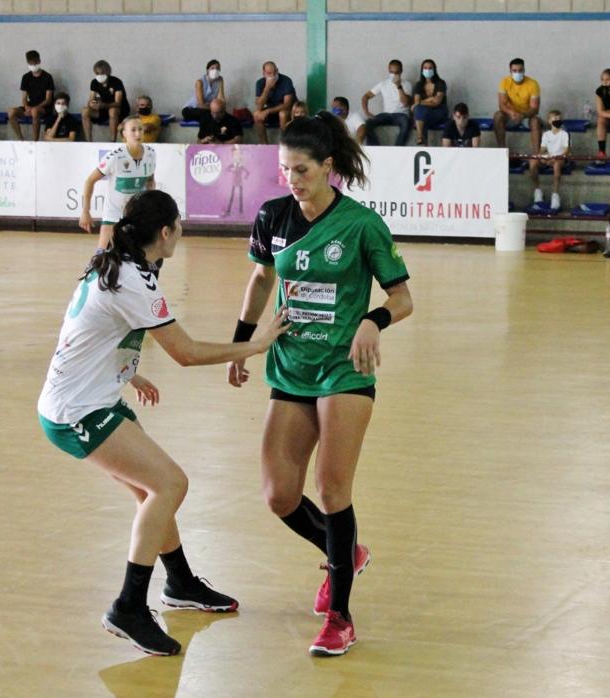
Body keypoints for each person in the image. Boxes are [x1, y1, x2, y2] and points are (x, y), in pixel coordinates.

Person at [38, 189, 290, 657]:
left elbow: (91, 329)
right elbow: (187, 353)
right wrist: (256, 345)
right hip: (77, 412)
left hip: (88, 398)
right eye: (179, 223)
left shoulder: (114, 261)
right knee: (169, 485)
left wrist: (128, 372)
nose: (183, 230)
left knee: (148, 492)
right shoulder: (133, 277)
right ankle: (128, 607)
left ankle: (180, 582)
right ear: (166, 232)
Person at [228, 112, 413, 657]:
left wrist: (371, 321)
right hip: (291, 365)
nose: (292, 178)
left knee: (332, 490)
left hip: (343, 369)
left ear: (329, 168)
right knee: (278, 494)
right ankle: (344, 552)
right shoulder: (272, 216)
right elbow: (261, 277)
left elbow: (403, 299)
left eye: (302, 169)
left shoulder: (361, 224)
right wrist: (242, 343)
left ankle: (341, 617)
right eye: (285, 168)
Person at [80, 117, 156, 253]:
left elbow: (150, 180)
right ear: (124, 134)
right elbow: (90, 181)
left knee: (137, 257)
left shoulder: (151, 154)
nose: (138, 134)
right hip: (113, 214)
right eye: (133, 130)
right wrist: (85, 211)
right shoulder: (114, 157)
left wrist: (150, 205)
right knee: (102, 257)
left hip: (136, 214)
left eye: (140, 129)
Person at [359, 59, 412, 146]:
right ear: (388, 71)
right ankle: (376, 148)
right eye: (391, 72)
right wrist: (367, 112)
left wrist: (399, 86)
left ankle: (397, 149)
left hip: (401, 115)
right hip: (386, 114)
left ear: (401, 71)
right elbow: (365, 97)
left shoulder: (407, 84)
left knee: (406, 124)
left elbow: (405, 103)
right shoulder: (383, 84)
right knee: (367, 123)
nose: (393, 75)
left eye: (396, 72)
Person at [493, 58, 541, 153]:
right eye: (514, 71)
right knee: (498, 116)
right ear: (510, 71)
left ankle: (536, 156)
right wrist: (511, 113)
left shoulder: (533, 84)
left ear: (524, 70)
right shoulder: (504, 82)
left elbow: (535, 109)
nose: (517, 73)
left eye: (520, 70)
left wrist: (522, 115)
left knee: (535, 121)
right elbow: (502, 105)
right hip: (511, 115)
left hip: (526, 116)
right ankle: (502, 152)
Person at [8, 51, 54, 141]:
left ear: (39, 61)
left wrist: (34, 108)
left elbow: (48, 99)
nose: (33, 65)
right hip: (29, 106)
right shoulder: (26, 77)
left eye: (35, 63)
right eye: (31, 63)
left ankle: (35, 141)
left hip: (44, 108)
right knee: (11, 112)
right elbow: (24, 97)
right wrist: (26, 106)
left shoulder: (47, 77)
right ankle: (21, 139)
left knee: (35, 111)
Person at [83, 60, 131, 142]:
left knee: (112, 111)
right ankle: (89, 141)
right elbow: (91, 99)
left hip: (120, 110)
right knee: (85, 111)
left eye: (101, 73)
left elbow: (118, 103)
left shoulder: (116, 82)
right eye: (97, 73)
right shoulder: (94, 82)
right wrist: (92, 104)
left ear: (108, 72)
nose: (99, 76)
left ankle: (113, 140)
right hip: (103, 109)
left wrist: (103, 105)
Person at [532, 110, 569, 211]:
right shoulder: (546, 134)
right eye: (555, 118)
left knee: (556, 165)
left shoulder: (564, 134)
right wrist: (542, 156)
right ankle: (537, 191)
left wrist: (556, 157)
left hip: (560, 158)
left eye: (559, 118)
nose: (557, 120)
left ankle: (555, 195)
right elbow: (543, 148)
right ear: (549, 121)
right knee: (533, 163)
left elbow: (566, 150)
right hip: (549, 157)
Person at [253, 62, 296, 145]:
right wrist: (267, 88)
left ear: (277, 70)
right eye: (269, 73)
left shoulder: (286, 81)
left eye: (275, 72)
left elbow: (287, 104)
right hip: (272, 111)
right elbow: (259, 106)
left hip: (286, 110)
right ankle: (264, 145)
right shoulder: (260, 83)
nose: (272, 75)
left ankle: (286, 143)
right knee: (256, 115)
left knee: (282, 114)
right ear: (264, 73)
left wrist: (268, 111)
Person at [412, 59, 448, 146]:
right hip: (425, 114)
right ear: (422, 70)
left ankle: (421, 138)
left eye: (430, 68)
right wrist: (431, 99)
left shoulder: (440, 83)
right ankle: (422, 140)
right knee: (420, 113)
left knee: (420, 114)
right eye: (425, 68)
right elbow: (417, 102)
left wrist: (422, 102)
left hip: (439, 112)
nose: (427, 70)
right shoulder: (419, 85)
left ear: (434, 69)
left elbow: (437, 102)